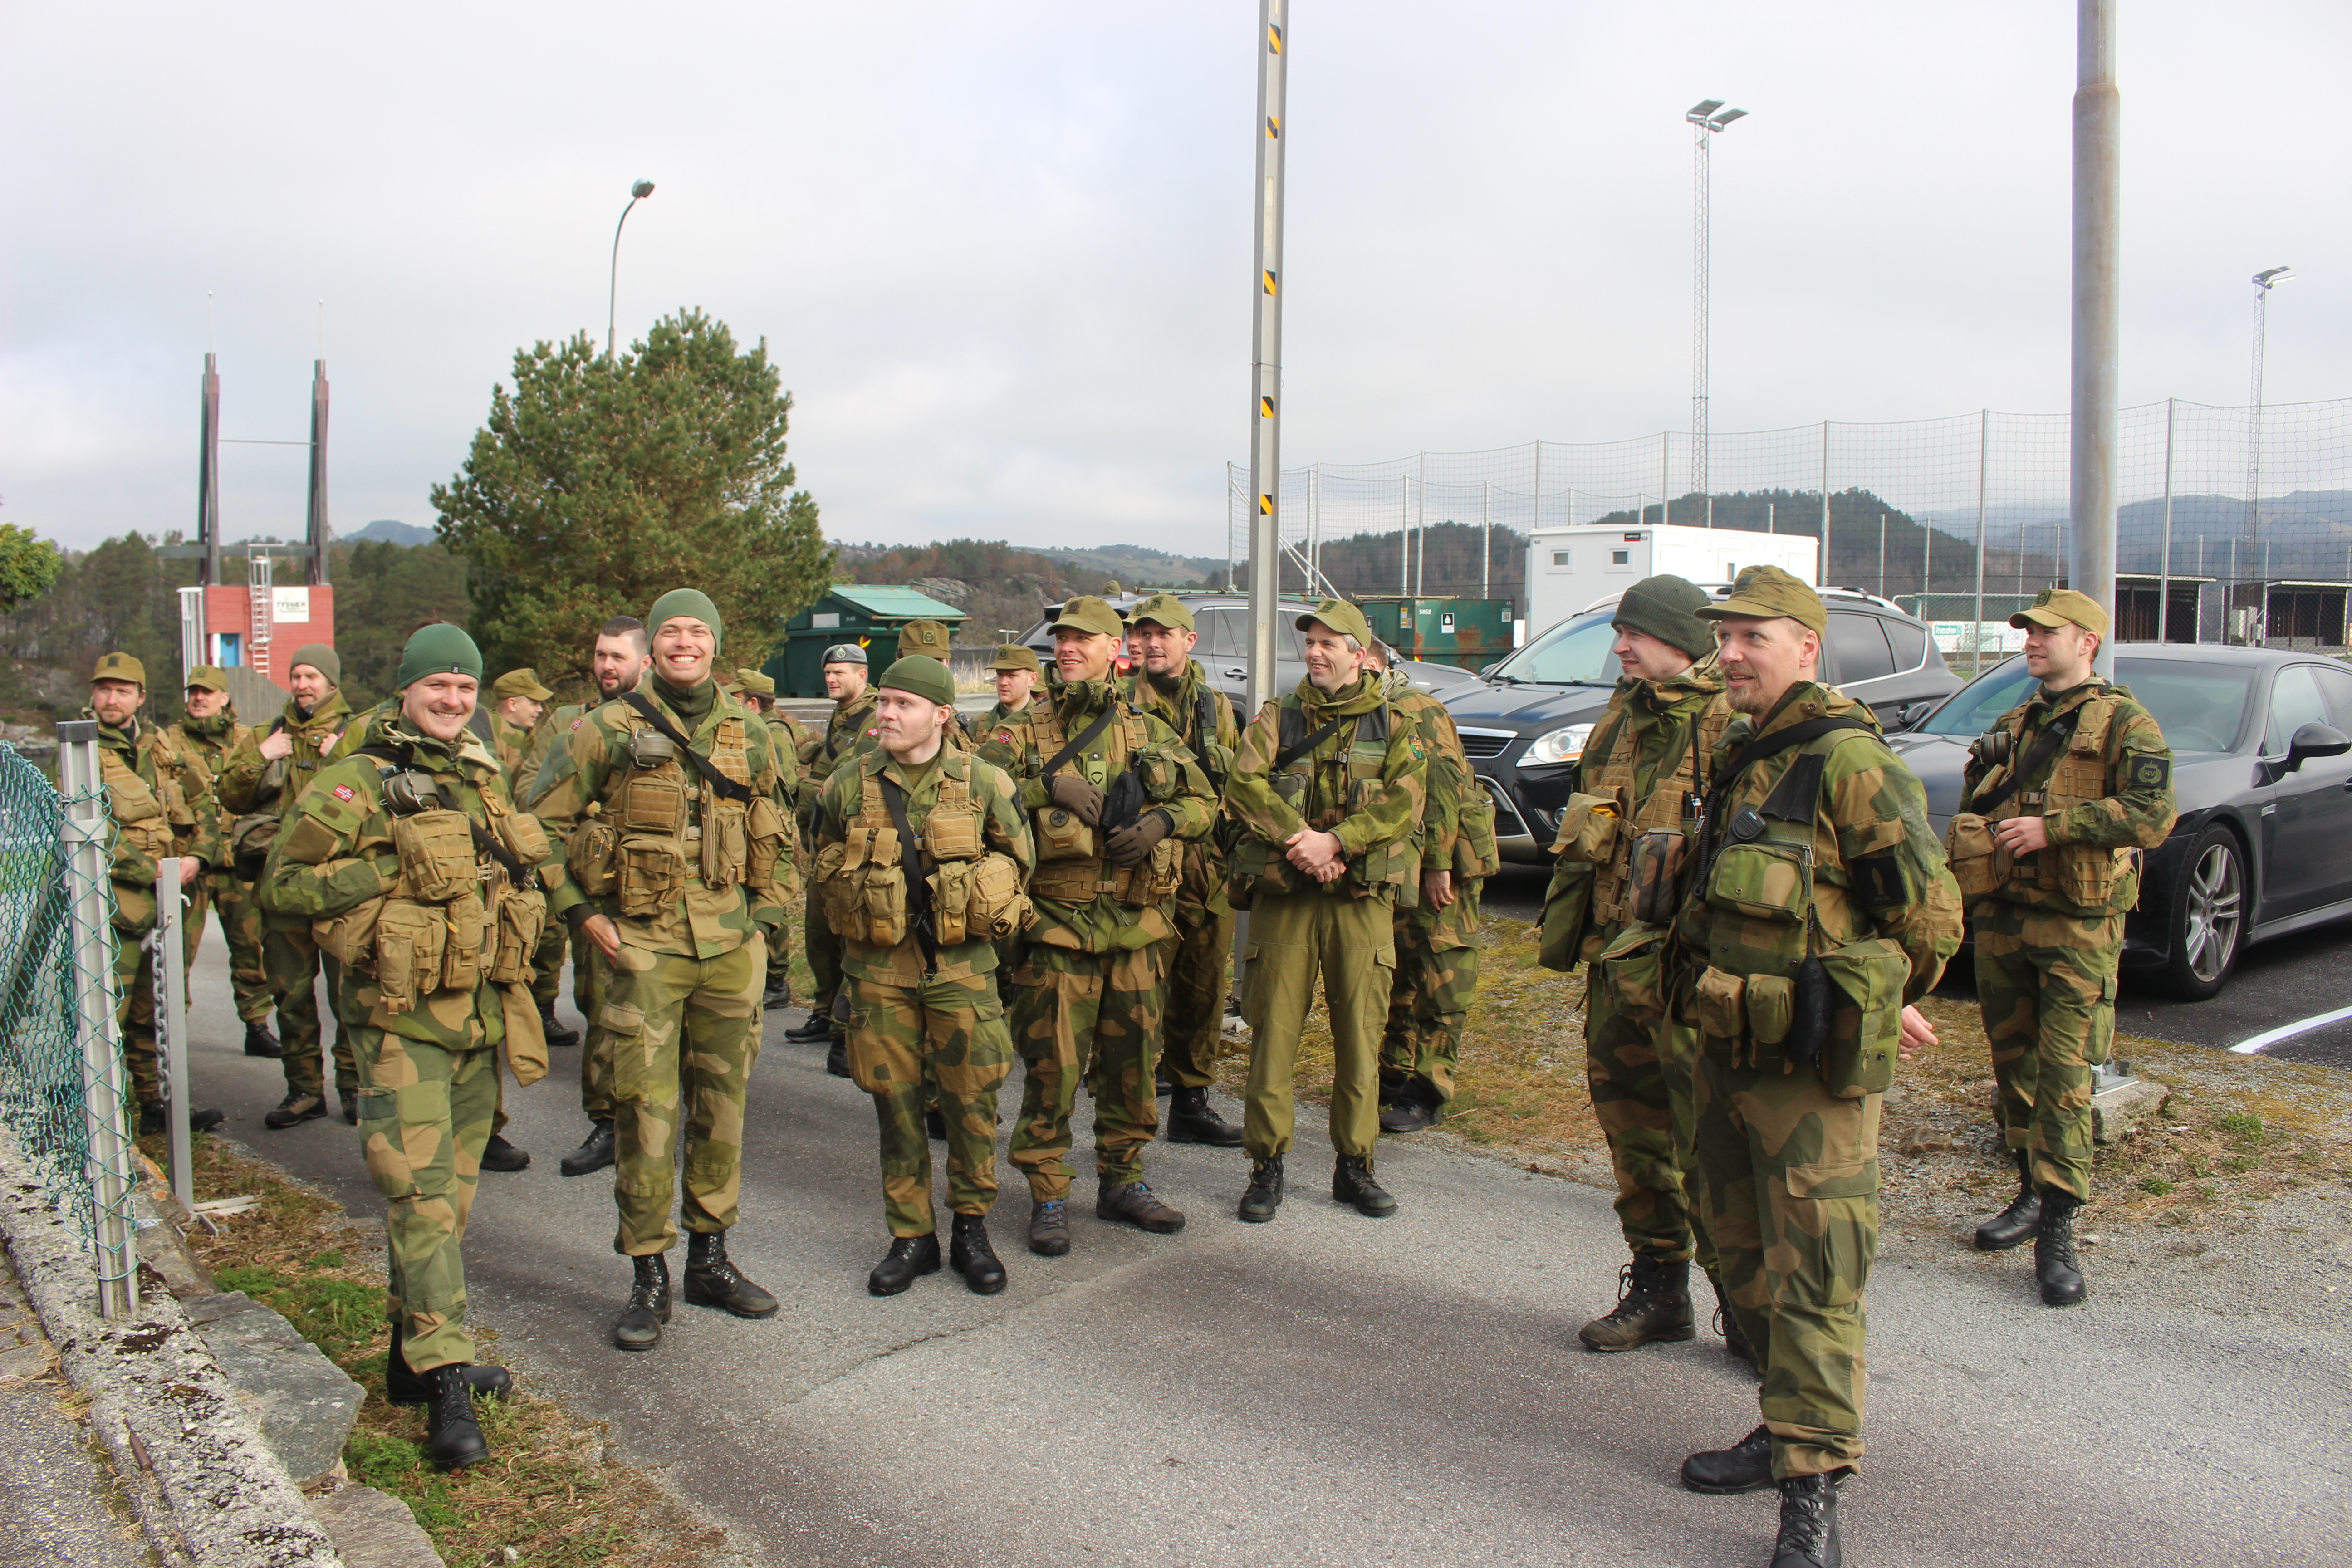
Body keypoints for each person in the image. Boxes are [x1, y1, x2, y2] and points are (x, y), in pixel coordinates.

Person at [1665, 566, 1961, 1568]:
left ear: (1806, 645)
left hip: (1809, 1073)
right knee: (1738, 1256)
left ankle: (1814, 1493)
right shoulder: (1742, 750)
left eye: (1752, 636)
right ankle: (1781, 1423)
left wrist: (1878, 991)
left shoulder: (1849, 765)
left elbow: (1927, 916)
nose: (1731, 653)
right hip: (1723, 1051)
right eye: (1725, 636)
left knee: (1817, 1279)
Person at [259, 624, 541, 1470]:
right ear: (406, 690)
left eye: (465, 687)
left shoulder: (480, 774)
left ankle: (408, 1360)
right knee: (419, 1202)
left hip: (473, 1021)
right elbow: (282, 882)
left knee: (447, 1205)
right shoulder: (358, 779)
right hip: (397, 1030)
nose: (453, 700)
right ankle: (448, 1380)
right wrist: (382, 875)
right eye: (437, 687)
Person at [531, 590, 793, 1352]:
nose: (685, 643)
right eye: (670, 631)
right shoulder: (602, 728)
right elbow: (536, 828)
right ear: (650, 647)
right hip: (641, 948)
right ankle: (649, 1274)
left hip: (728, 950)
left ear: (715, 644)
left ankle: (711, 1258)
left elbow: (780, 830)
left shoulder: (753, 731)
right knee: (644, 1116)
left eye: (697, 632)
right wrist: (583, 913)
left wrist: (767, 920)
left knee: (723, 1108)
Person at [1535, 577, 1742, 1357]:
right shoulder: (1620, 720)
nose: (1618, 647)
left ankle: (1743, 1305)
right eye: (1617, 633)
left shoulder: (1731, 725)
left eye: (1633, 634)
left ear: (1681, 641)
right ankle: (1660, 1288)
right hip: (1618, 969)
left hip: (1690, 978)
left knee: (1708, 1144)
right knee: (1633, 1136)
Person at [1951, 587, 2175, 1308]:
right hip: (2007, 915)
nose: (2032, 643)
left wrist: (2058, 828)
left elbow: (2153, 814)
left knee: (2066, 1077)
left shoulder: (2125, 723)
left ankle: (2059, 1228)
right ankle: (2028, 1193)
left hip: (2078, 926)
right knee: (2013, 1064)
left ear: (2088, 641)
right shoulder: (2019, 720)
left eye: (2047, 633)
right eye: (2028, 632)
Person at [977, 596, 1215, 1254]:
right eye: (1061, 640)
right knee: (1052, 1068)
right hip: (1057, 929)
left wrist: (1161, 823)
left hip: (1136, 932)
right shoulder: (1024, 729)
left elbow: (1205, 800)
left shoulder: (1148, 730)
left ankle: (1123, 1180)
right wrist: (1040, 790)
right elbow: (968, 792)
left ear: (1117, 650)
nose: (1068, 648)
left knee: (1134, 1067)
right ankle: (1049, 1193)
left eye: (1084, 639)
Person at [813, 656, 1033, 1295]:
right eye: (883, 701)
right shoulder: (847, 785)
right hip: (879, 975)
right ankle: (911, 1236)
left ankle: (971, 1228)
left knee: (972, 1104)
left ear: (941, 714)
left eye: (903, 704)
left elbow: (1022, 867)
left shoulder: (985, 782)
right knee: (897, 1107)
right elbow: (822, 864)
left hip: (963, 971)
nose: (886, 713)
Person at [1224, 600, 1427, 1222]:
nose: (1314, 652)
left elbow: (1406, 802)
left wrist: (1337, 842)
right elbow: (1242, 785)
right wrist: (1302, 841)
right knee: (1273, 1037)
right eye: (1310, 642)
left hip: (1359, 904)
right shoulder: (1278, 718)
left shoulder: (1395, 725)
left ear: (1361, 657)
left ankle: (1355, 1165)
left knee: (1361, 1040)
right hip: (1287, 900)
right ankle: (1266, 1166)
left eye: (1329, 644)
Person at [523, 618, 651, 1179]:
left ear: (644, 663)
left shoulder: (667, 721)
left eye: (618, 657)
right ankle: (606, 1119)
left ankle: (656, 1118)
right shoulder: (567, 723)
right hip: (602, 893)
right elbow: (537, 798)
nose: (606, 666)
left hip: (665, 898)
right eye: (600, 655)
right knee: (602, 1007)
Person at [85, 653, 228, 1137]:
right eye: (104, 689)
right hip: (112, 907)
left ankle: (154, 1105)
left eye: (122, 691)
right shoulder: (78, 750)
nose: (111, 699)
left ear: (140, 697)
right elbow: (92, 832)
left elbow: (205, 808)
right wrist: (152, 872)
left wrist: (198, 858)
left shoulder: (163, 748)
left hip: (173, 902)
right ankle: (101, 1122)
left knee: (160, 1007)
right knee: (108, 1013)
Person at [1122, 594, 1245, 1147]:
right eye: (1141, 634)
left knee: (1205, 987)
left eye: (1161, 634)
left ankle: (1192, 1100)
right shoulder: (1121, 705)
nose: (1149, 643)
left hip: (1210, 868)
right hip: (1148, 871)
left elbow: (1236, 790)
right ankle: (1131, 1110)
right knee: (1142, 989)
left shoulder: (1218, 707)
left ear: (1188, 641)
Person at [218, 642, 357, 1128]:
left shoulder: (355, 733)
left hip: (339, 888)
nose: (302, 685)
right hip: (281, 890)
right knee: (291, 994)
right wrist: (261, 756)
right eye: (296, 676)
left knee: (350, 997)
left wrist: (340, 758)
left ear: (332, 683)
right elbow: (231, 796)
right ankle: (303, 1091)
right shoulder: (266, 734)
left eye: (312, 676)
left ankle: (354, 1088)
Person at [1368, 638, 1499, 1137]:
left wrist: (1439, 864)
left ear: (1374, 664)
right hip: (1403, 856)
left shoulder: (1415, 709)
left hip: (1444, 858)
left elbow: (1443, 785)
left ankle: (1428, 1088)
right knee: (1399, 969)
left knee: (1443, 972)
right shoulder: (1366, 709)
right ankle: (1394, 1076)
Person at [154, 666, 280, 1060]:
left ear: (225, 698)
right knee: (176, 951)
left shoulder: (249, 741)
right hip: (191, 859)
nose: (198, 698)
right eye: (193, 691)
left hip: (240, 861)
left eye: (207, 692)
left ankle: (257, 1026)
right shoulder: (168, 742)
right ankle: (171, 1035)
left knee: (251, 948)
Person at [785, 643, 881, 1075]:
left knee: (848, 936)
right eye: (828, 673)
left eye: (840, 673)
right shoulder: (842, 716)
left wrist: (806, 789)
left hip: (854, 840)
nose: (831, 679)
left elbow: (850, 772)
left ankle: (848, 1026)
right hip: (825, 840)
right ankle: (825, 1011)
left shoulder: (874, 716)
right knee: (819, 931)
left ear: (862, 676)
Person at [483, 668, 576, 1055]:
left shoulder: (528, 740)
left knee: (547, 933)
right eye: (533, 702)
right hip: (507, 851)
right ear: (512, 703)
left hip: (531, 847)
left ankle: (540, 1010)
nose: (540, 709)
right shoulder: (492, 738)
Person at [734, 667, 808, 1014]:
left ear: (752, 702)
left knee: (770, 892)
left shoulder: (771, 732)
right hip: (759, 823)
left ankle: (777, 979)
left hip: (770, 825)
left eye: (736, 698)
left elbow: (786, 783)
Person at [983, 644, 1041, 727]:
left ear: (1032, 679)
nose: (1003, 683)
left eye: (1012, 676)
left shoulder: (1047, 725)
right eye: (1000, 675)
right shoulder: (978, 725)